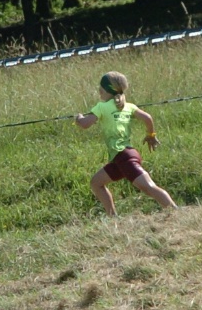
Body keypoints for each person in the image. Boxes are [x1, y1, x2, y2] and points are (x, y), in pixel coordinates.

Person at [75, 71, 178, 216]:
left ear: (104, 90)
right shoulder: (129, 106)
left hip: (124, 157)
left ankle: (176, 211)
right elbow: (147, 118)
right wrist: (151, 135)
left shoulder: (101, 107)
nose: (99, 90)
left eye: (100, 87)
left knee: (149, 187)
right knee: (96, 183)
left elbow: (85, 124)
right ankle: (113, 218)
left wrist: (79, 118)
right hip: (121, 158)